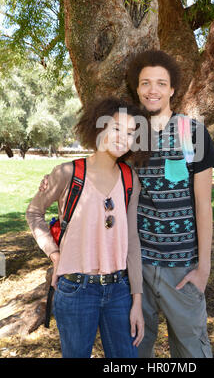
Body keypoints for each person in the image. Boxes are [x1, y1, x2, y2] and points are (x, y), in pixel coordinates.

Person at [40, 50, 214, 358]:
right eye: (145, 83)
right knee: (136, 348)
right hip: (135, 268)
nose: (153, 90)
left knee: (192, 349)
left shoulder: (194, 132)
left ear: (172, 89)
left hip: (183, 266)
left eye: (161, 83)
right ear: (137, 88)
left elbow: (204, 205)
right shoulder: (131, 135)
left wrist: (203, 268)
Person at [26, 97, 146, 358]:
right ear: (98, 127)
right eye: (115, 128)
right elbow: (34, 213)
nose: (122, 138)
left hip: (120, 292)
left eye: (130, 133)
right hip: (76, 290)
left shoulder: (130, 178)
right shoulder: (67, 173)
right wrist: (54, 255)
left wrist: (137, 300)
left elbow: (133, 241)